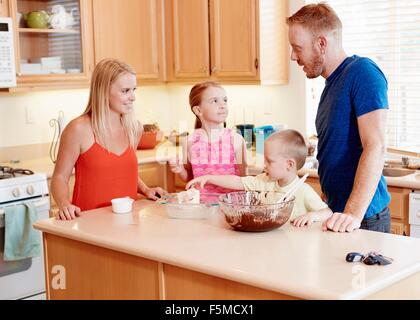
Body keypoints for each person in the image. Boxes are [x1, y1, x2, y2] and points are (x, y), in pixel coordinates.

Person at [286, 3, 390, 233]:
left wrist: (352, 213)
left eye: (297, 47)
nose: (293, 56)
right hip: (338, 214)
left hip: (363, 218)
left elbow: (376, 145)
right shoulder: (331, 85)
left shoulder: (362, 73)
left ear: (321, 44)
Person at [51, 58, 166, 220]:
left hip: (128, 220)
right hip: (89, 222)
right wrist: (63, 204)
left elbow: (122, 170)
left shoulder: (134, 128)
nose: (133, 97)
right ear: (103, 91)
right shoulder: (78, 129)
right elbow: (60, 177)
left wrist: (145, 189)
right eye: (125, 91)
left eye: (134, 90)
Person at [186, 130, 333, 225]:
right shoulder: (264, 180)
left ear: (289, 165)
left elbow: (328, 212)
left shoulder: (303, 190)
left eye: (269, 161)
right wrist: (208, 177)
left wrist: (313, 216)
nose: (264, 165)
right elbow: (237, 181)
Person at [169, 81, 247, 195]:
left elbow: (245, 181)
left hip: (230, 207)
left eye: (225, 100)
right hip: (201, 206)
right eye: (215, 101)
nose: (223, 105)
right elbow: (190, 179)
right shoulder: (189, 142)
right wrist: (180, 170)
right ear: (198, 110)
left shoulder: (236, 140)